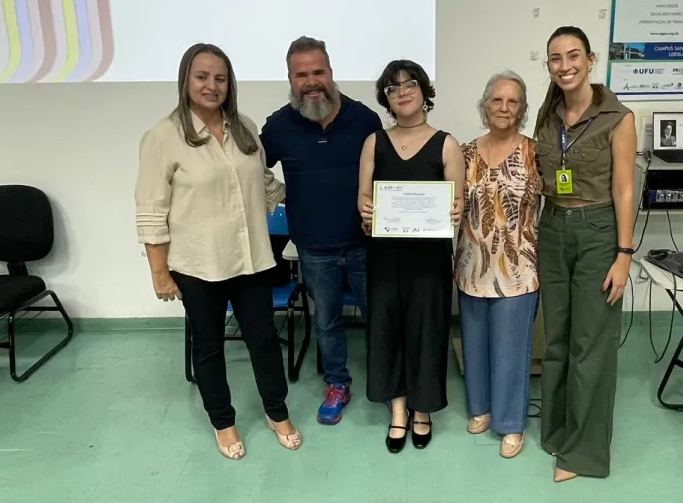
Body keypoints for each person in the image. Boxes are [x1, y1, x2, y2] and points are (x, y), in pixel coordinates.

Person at [134, 43, 301, 460]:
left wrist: (312, 192)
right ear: (185, 80)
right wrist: (159, 273)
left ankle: (276, 412)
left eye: (220, 78)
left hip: (250, 259)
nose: (212, 85)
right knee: (208, 346)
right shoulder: (163, 137)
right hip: (198, 265)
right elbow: (151, 209)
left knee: (264, 340)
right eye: (202, 76)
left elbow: (264, 185)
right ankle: (223, 421)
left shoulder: (244, 128)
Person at [259, 37, 382, 425]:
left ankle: (388, 381)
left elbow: (388, 172)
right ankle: (337, 383)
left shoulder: (365, 120)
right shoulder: (279, 126)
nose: (311, 82)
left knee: (380, 316)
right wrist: (279, 194)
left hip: (366, 244)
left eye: (318, 72)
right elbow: (248, 168)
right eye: (301, 75)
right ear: (290, 80)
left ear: (331, 73)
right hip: (313, 249)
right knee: (327, 322)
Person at [533, 26, 637, 481]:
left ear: (591, 60)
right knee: (557, 339)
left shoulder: (618, 117)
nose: (565, 66)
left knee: (589, 344)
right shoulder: (548, 113)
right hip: (553, 227)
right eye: (556, 58)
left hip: (597, 231)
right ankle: (558, 431)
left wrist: (624, 254)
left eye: (573, 56)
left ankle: (584, 455)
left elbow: (624, 189)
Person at [357, 60, 464, 453]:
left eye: (409, 83)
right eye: (392, 87)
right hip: (385, 255)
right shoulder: (374, 142)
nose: (402, 92)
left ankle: (423, 409)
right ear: (385, 98)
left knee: (427, 330)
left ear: (423, 91)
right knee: (387, 329)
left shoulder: (447, 144)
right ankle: (398, 408)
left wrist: (455, 210)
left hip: (429, 259)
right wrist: (366, 213)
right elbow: (363, 200)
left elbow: (457, 203)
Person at [454, 71, 541, 459]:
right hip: (471, 266)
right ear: (484, 105)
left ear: (522, 109)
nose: (504, 107)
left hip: (518, 270)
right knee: (474, 345)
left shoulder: (535, 153)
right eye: (497, 100)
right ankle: (481, 409)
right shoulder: (464, 153)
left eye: (512, 101)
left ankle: (511, 423)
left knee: (510, 350)